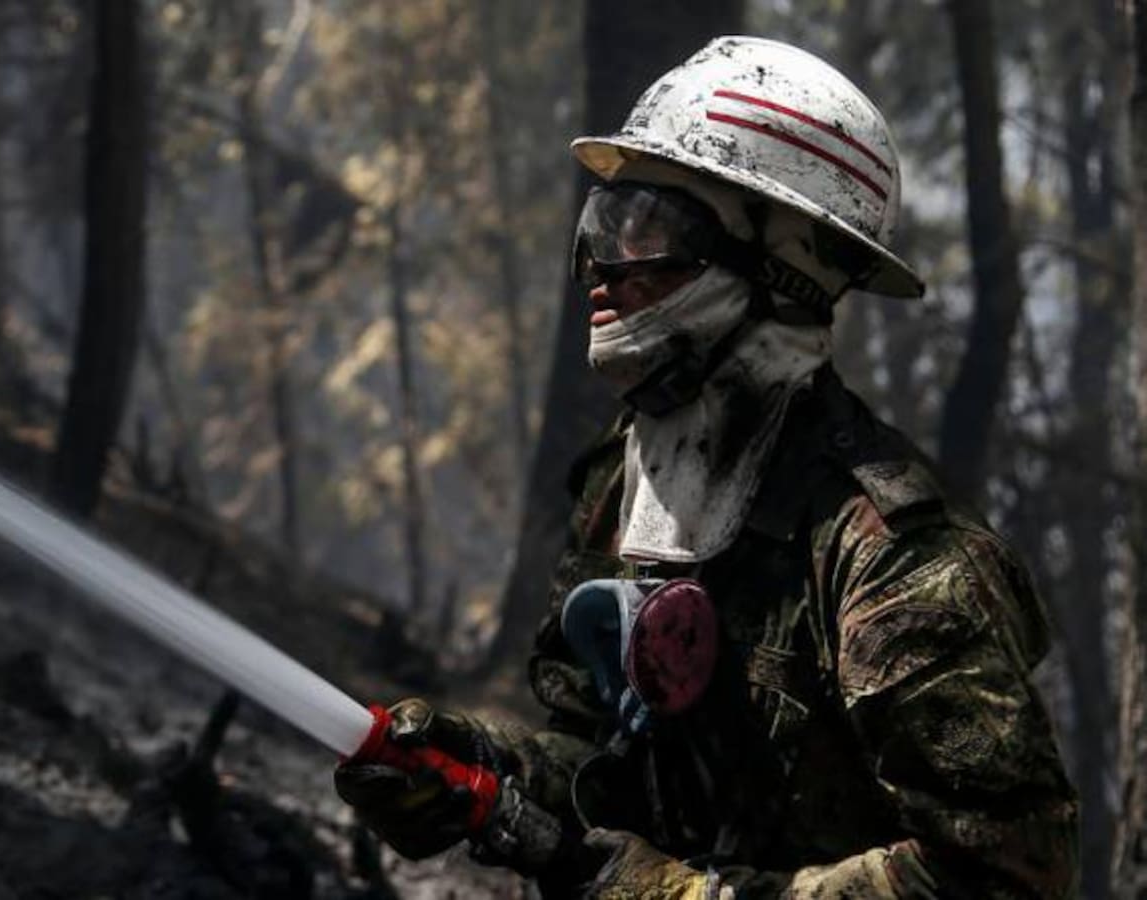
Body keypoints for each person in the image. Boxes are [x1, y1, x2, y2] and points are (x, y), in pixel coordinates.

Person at [335, 36, 1079, 898]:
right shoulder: (627, 479)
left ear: (783, 268)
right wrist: (486, 774)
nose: (602, 269)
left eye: (652, 232)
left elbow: (1010, 873)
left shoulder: (894, 557)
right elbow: (606, 755)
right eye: (602, 226)